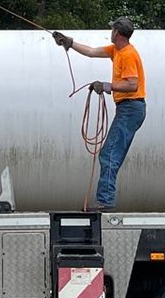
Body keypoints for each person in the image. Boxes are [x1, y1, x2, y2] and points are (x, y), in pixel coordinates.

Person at [53, 18, 145, 211]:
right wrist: (69, 42)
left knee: (109, 154)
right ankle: (105, 199)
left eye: (112, 29)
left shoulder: (128, 55)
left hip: (130, 108)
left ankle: (105, 201)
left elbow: (132, 84)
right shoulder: (116, 51)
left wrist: (106, 86)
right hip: (128, 109)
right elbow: (92, 52)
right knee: (110, 154)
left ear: (117, 33)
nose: (110, 32)